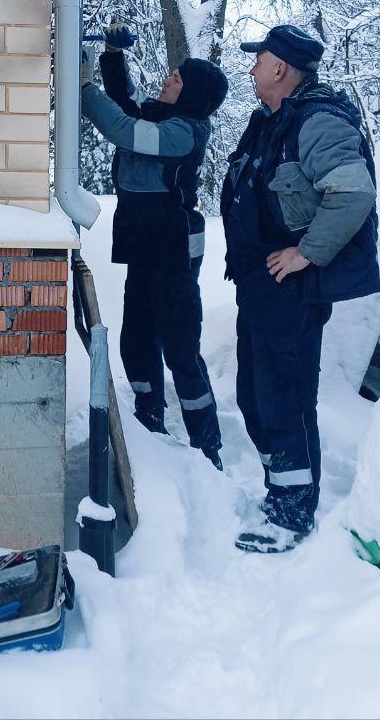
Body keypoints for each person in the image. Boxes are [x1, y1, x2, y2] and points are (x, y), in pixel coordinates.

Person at [221, 24, 380, 553]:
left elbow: (353, 196)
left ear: (281, 68)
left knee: (284, 397)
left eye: (259, 60)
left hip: (291, 288)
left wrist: (304, 253)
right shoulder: (273, 122)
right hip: (260, 286)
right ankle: (278, 491)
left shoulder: (317, 123)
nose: (251, 69)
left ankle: (293, 513)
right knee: (254, 395)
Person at [80, 23, 229, 469]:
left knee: (180, 349)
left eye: (178, 79)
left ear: (193, 95)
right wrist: (110, 56)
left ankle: (208, 444)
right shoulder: (161, 117)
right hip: (145, 250)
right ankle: (149, 419)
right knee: (137, 341)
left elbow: (122, 128)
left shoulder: (184, 132)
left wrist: (82, 88)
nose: (168, 79)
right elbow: (125, 104)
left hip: (174, 254)